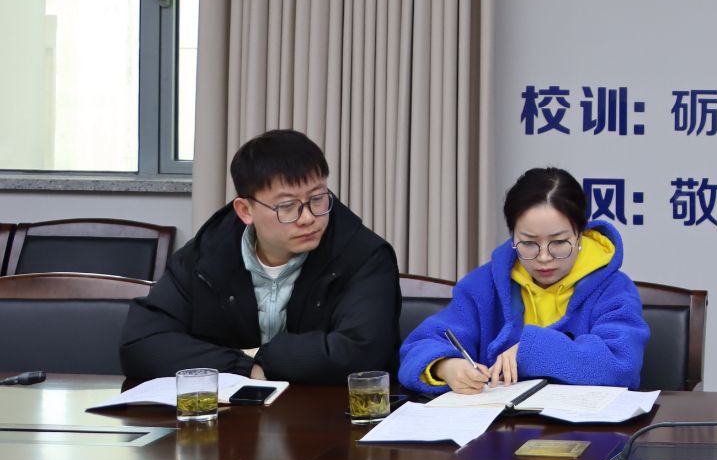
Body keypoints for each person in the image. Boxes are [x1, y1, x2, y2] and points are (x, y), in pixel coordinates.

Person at [120, 129, 399, 384]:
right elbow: (140, 345)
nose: (308, 218)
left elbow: (361, 354)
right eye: (287, 206)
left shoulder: (364, 256)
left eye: (317, 199)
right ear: (245, 211)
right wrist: (246, 367)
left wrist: (264, 358)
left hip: (326, 414)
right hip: (230, 414)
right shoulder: (206, 256)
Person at [399, 168, 648, 394]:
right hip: (500, 425)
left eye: (559, 242)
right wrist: (445, 366)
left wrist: (531, 350)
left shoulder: (613, 289)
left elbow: (622, 365)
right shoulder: (484, 285)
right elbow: (418, 347)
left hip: (586, 426)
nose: (544, 257)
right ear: (512, 236)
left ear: (580, 235)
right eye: (528, 243)